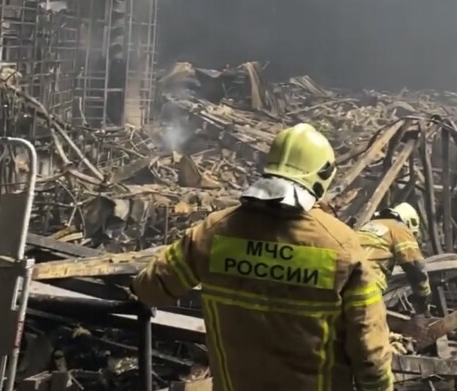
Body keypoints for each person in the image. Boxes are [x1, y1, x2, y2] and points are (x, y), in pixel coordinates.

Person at [132, 123, 394, 391]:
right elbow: (370, 352)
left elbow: (150, 289)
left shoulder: (212, 232)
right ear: (323, 175)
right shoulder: (342, 245)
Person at [357, 203, 431, 316]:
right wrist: (424, 297)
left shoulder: (367, 225)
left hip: (343, 278)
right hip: (368, 282)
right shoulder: (400, 228)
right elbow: (414, 265)